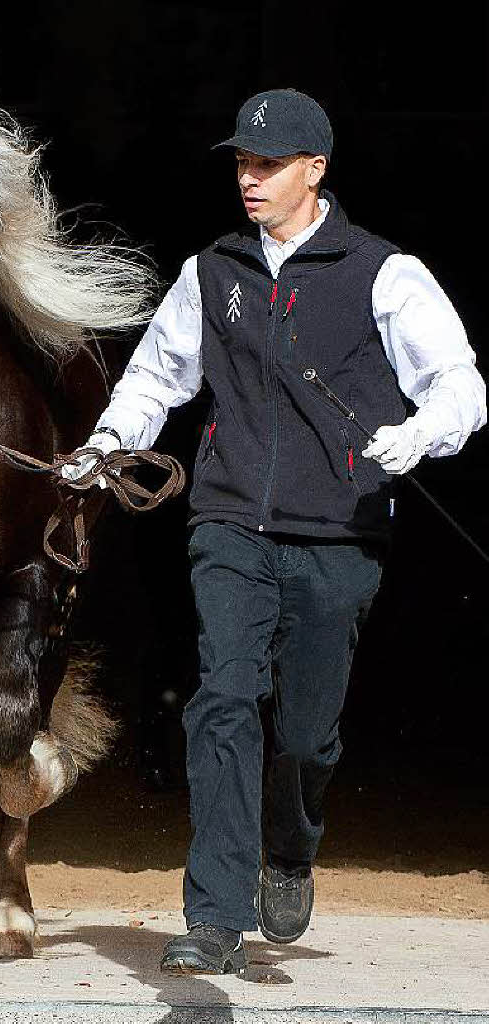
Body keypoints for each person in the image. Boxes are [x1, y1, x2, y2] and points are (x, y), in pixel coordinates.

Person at [64, 88, 486, 975]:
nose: (248, 180)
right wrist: (107, 444)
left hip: (339, 528)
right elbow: (156, 377)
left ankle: (289, 847)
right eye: (241, 164)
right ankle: (214, 913)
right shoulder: (210, 269)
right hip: (227, 521)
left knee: (304, 731)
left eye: (267, 164)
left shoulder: (383, 271)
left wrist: (417, 433)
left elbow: (460, 385)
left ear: (315, 169)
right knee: (221, 697)